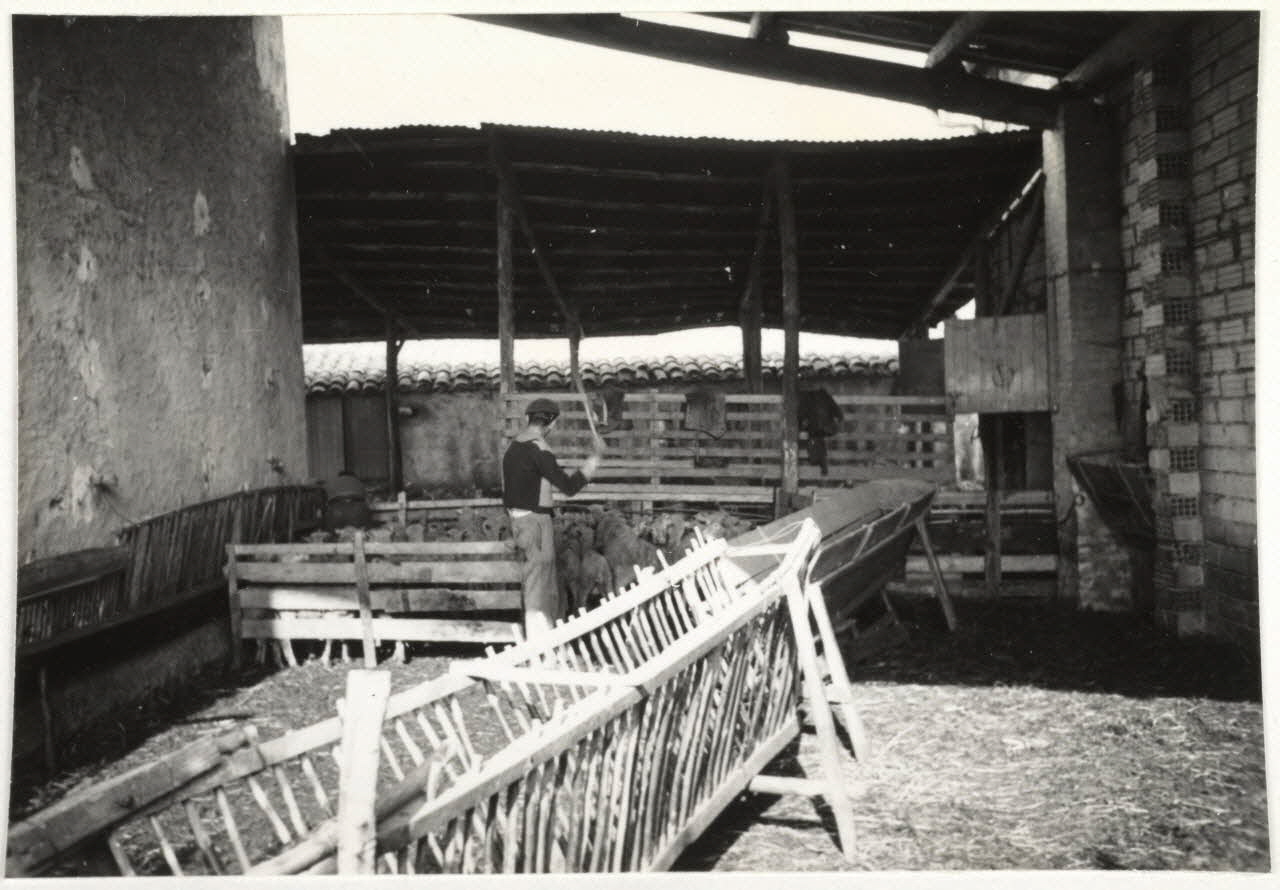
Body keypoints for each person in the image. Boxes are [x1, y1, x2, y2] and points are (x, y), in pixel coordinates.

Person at [502, 397, 604, 639]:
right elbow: (569, 487)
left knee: (540, 584)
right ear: (552, 423)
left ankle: (545, 640)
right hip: (536, 524)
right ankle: (539, 648)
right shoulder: (540, 450)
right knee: (539, 588)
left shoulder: (513, 447)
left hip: (520, 523)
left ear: (528, 419)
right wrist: (593, 461)